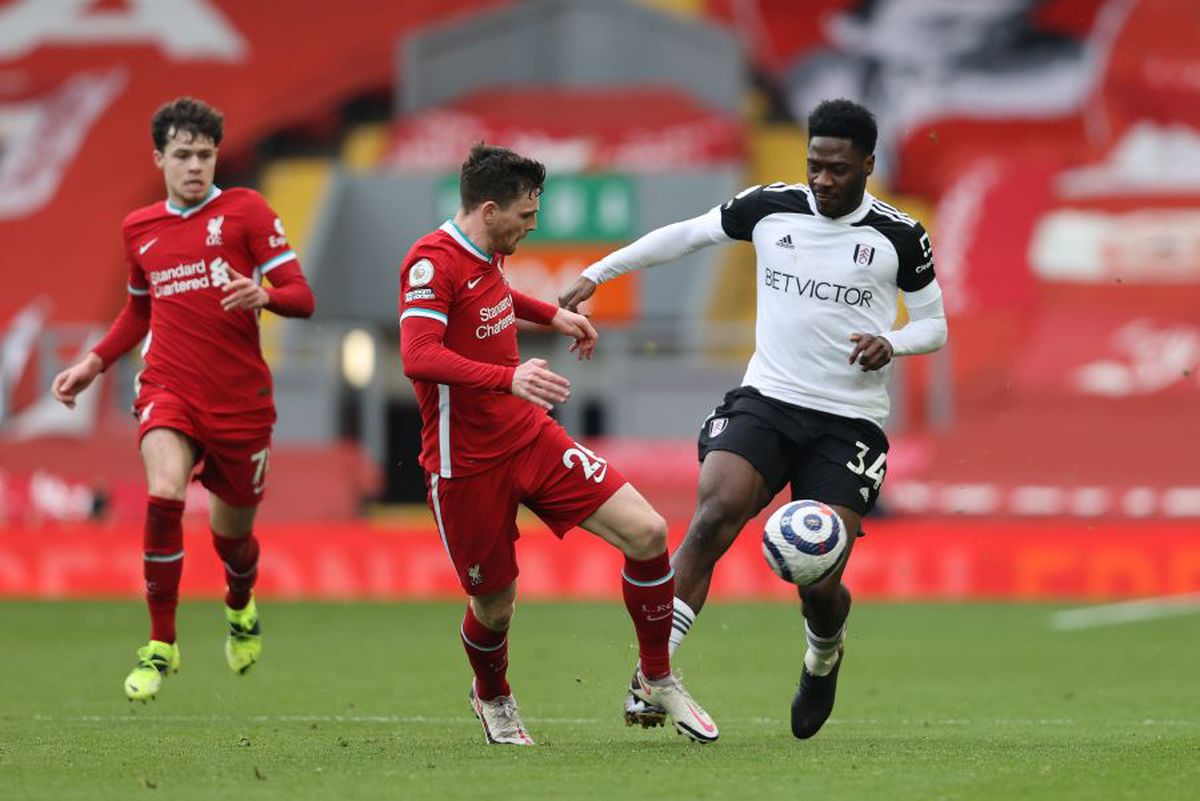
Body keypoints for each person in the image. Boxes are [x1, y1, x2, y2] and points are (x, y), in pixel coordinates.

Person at [559, 99, 948, 739]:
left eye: (839, 170)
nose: (823, 180)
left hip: (848, 423)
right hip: (768, 399)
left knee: (818, 576)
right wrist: (600, 272)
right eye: (815, 165)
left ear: (869, 165)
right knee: (714, 513)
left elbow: (933, 325)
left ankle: (823, 657)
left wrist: (894, 342)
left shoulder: (901, 237)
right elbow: (686, 234)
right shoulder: (770, 206)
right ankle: (652, 676)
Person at [398, 143, 717, 746]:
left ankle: (655, 677)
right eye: (525, 216)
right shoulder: (429, 262)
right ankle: (492, 695)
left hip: (529, 437)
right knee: (495, 606)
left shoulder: (485, 253)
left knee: (647, 532)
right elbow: (417, 356)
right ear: (489, 210)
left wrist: (552, 315)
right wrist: (508, 377)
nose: (531, 226)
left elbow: (490, 302)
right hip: (463, 464)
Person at [51, 97, 315, 701]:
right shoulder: (139, 228)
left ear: (216, 156)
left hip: (241, 401)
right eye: (182, 155)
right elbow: (139, 309)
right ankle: (161, 645)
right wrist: (94, 363)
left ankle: (240, 603)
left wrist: (263, 296)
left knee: (232, 540)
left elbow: (301, 296)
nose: (195, 165)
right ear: (160, 158)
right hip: (168, 386)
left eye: (204, 154)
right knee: (164, 493)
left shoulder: (246, 211)